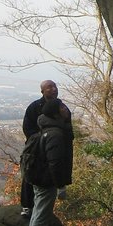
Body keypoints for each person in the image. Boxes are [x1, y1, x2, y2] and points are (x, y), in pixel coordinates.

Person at [25, 98, 74, 226]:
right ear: (55, 113)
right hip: (46, 180)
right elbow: (55, 163)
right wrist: (60, 186)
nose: (65, 109)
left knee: (38, 213)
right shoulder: (55, 134)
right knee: (41, 216)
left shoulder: (46, 128)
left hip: (39, 177)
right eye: (61, 107)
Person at [20, 80, 72, 218]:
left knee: (48, 176)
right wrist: (40, 140)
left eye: (55, 86)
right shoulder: (34, 107)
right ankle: (27, 206)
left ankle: (40, 209)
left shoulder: (62, 108)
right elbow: (27, 128)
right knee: (30, 174)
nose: (53, 89)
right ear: (42, 91)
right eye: (49, 87)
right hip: (36, 148)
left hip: (55, 147)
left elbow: (68, 128)